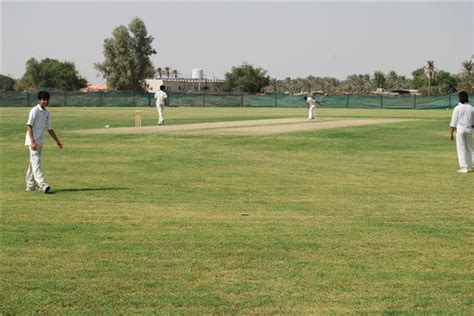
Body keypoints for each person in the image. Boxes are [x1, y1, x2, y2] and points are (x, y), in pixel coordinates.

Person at [25, 91, 64, 192]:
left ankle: (30, 185)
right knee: (36, 162)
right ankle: (42, 184)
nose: (45, 101)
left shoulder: (47, 112)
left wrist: (57, 141)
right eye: (43, 100)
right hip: (32, 140)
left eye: (47, 100)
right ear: (39, 100)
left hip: (40, 141)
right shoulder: (34, 110)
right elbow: (29, 125)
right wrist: (32, 141)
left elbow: (50, 129)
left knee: (32, 163)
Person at [449, 91, 473, 173]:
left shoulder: (457, 108)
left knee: (461, 148)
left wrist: (451, 134)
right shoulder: (471, 108)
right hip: (469, 129)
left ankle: (464, 167)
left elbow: (453, 122)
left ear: (459, 98)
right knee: (470, 148)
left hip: (460, 130)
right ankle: (473, 165)